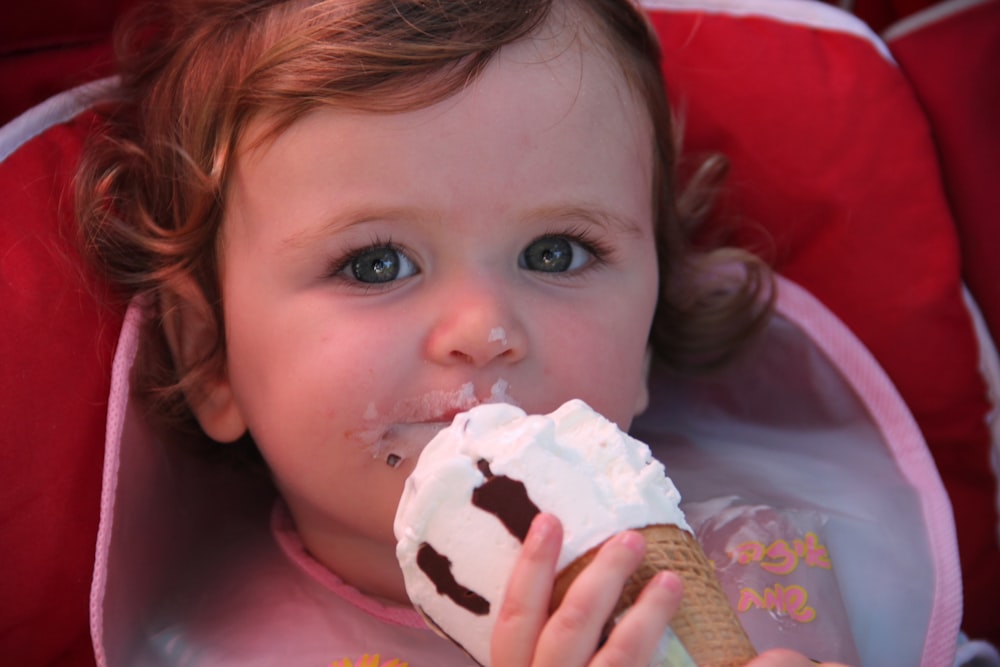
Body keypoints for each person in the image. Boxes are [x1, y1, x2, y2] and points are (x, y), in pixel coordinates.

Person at [75, 0, 850, 664]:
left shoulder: (748, 569)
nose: (483, 329)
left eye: (557, 252)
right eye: (377, 264)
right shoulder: (211, 641)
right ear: (208, 353)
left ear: (648, 327)